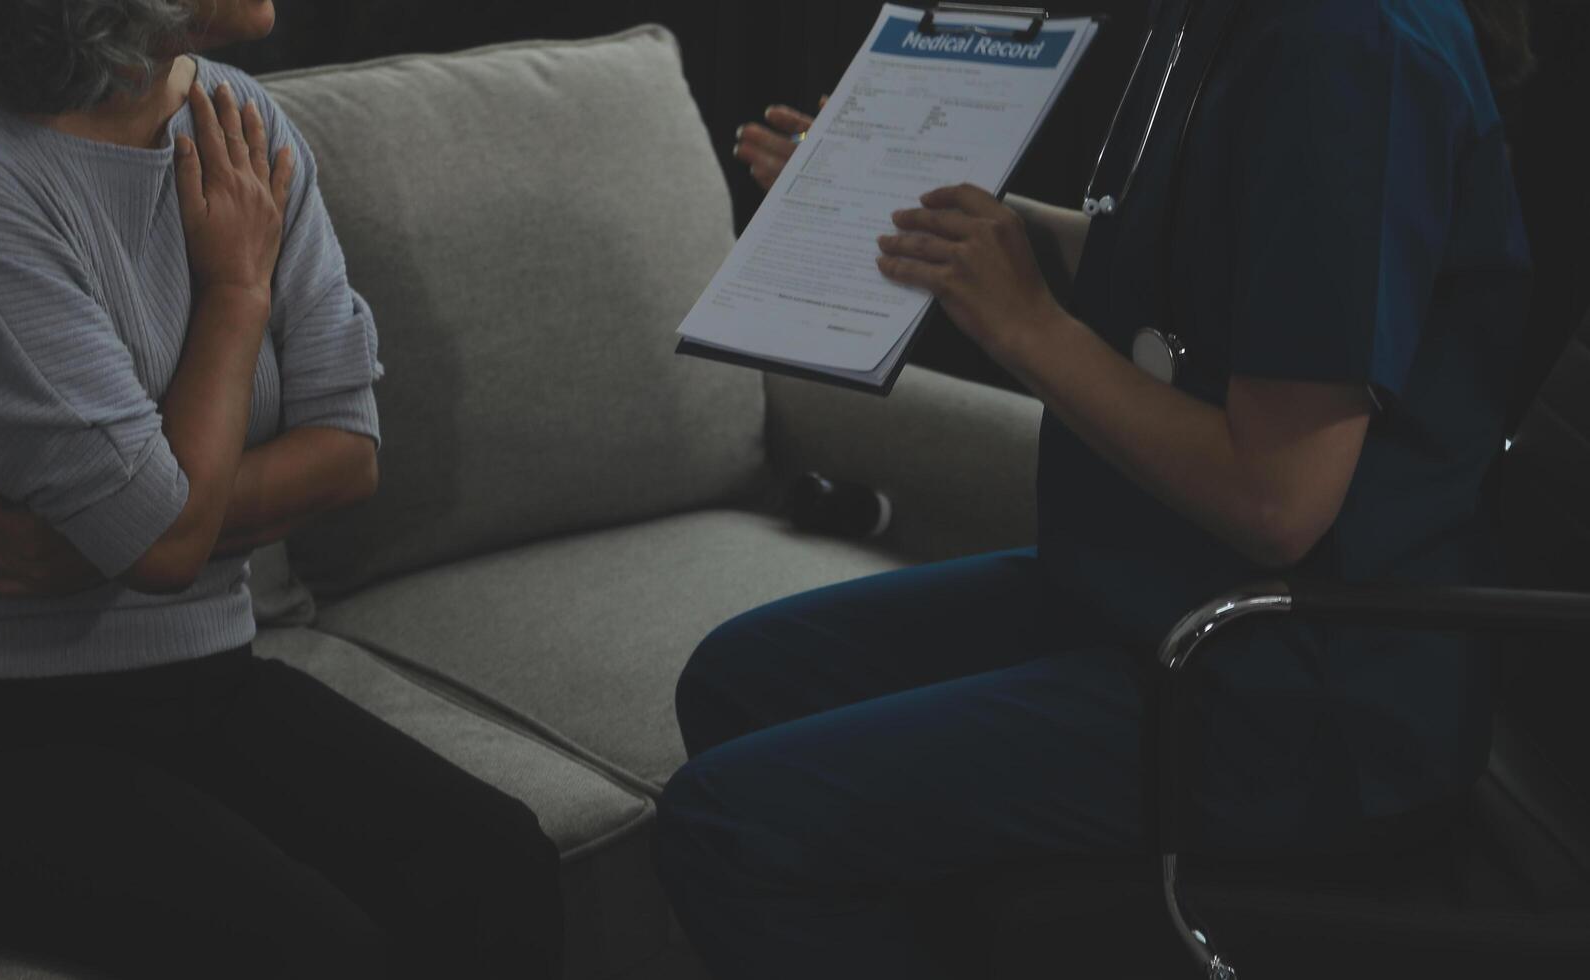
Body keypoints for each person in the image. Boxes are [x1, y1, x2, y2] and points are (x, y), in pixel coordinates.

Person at [654, 1, 1535, 976]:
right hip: (1155, 591)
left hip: (1294, 686)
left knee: (729, 828)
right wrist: (930, 215)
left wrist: (1026, 326)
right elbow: (1179, 260)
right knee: (739, 679)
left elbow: (1276, 499)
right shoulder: (1222, 23)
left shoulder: (1352, 50)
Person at [0, 2, 563, 976]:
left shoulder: (235, 118)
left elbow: (344, 449)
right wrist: (236, 291)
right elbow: (162, 542)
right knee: (324, 950)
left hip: (197, 681)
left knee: (498, 858)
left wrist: (102, 545)